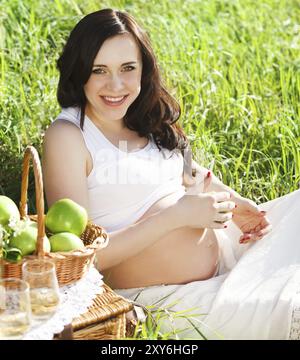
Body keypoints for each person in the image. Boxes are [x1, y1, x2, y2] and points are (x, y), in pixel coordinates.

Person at [42, 8, 300, 339]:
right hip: (168, 297)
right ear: (80, 72)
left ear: (143, 70)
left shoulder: (146, 117)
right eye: (99, 70)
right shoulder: (70, 136)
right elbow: (79, 259)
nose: (116, 85)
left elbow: (187, 172)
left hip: (228, 251)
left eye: (127, 68)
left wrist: (235, 205)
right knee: (288, 309)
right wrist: (176, 217)